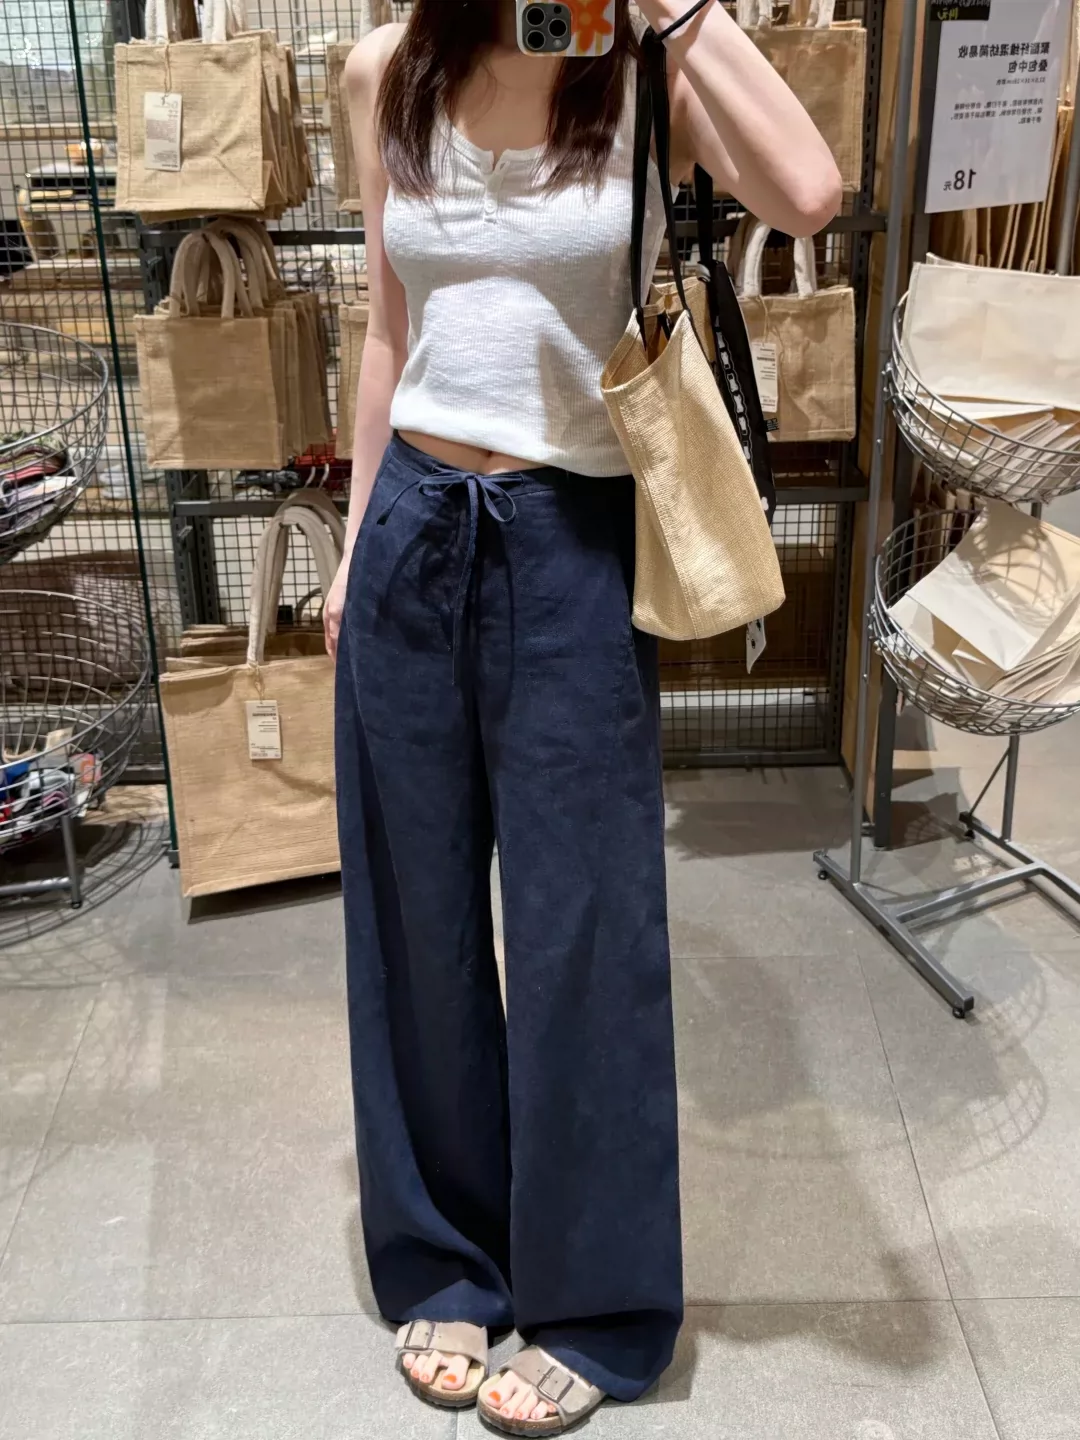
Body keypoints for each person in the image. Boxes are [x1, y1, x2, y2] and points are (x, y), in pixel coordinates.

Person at [325, 0, 839, 1431]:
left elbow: (809, 192)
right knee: (418, 924)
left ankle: (598, 1305)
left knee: (585, 931)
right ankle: (448, 1256)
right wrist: (358, 541)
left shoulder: (643, 70)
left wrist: (676, 11)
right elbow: (387, 326)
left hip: (571, 538)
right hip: (414, 525)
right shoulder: (384, 70)